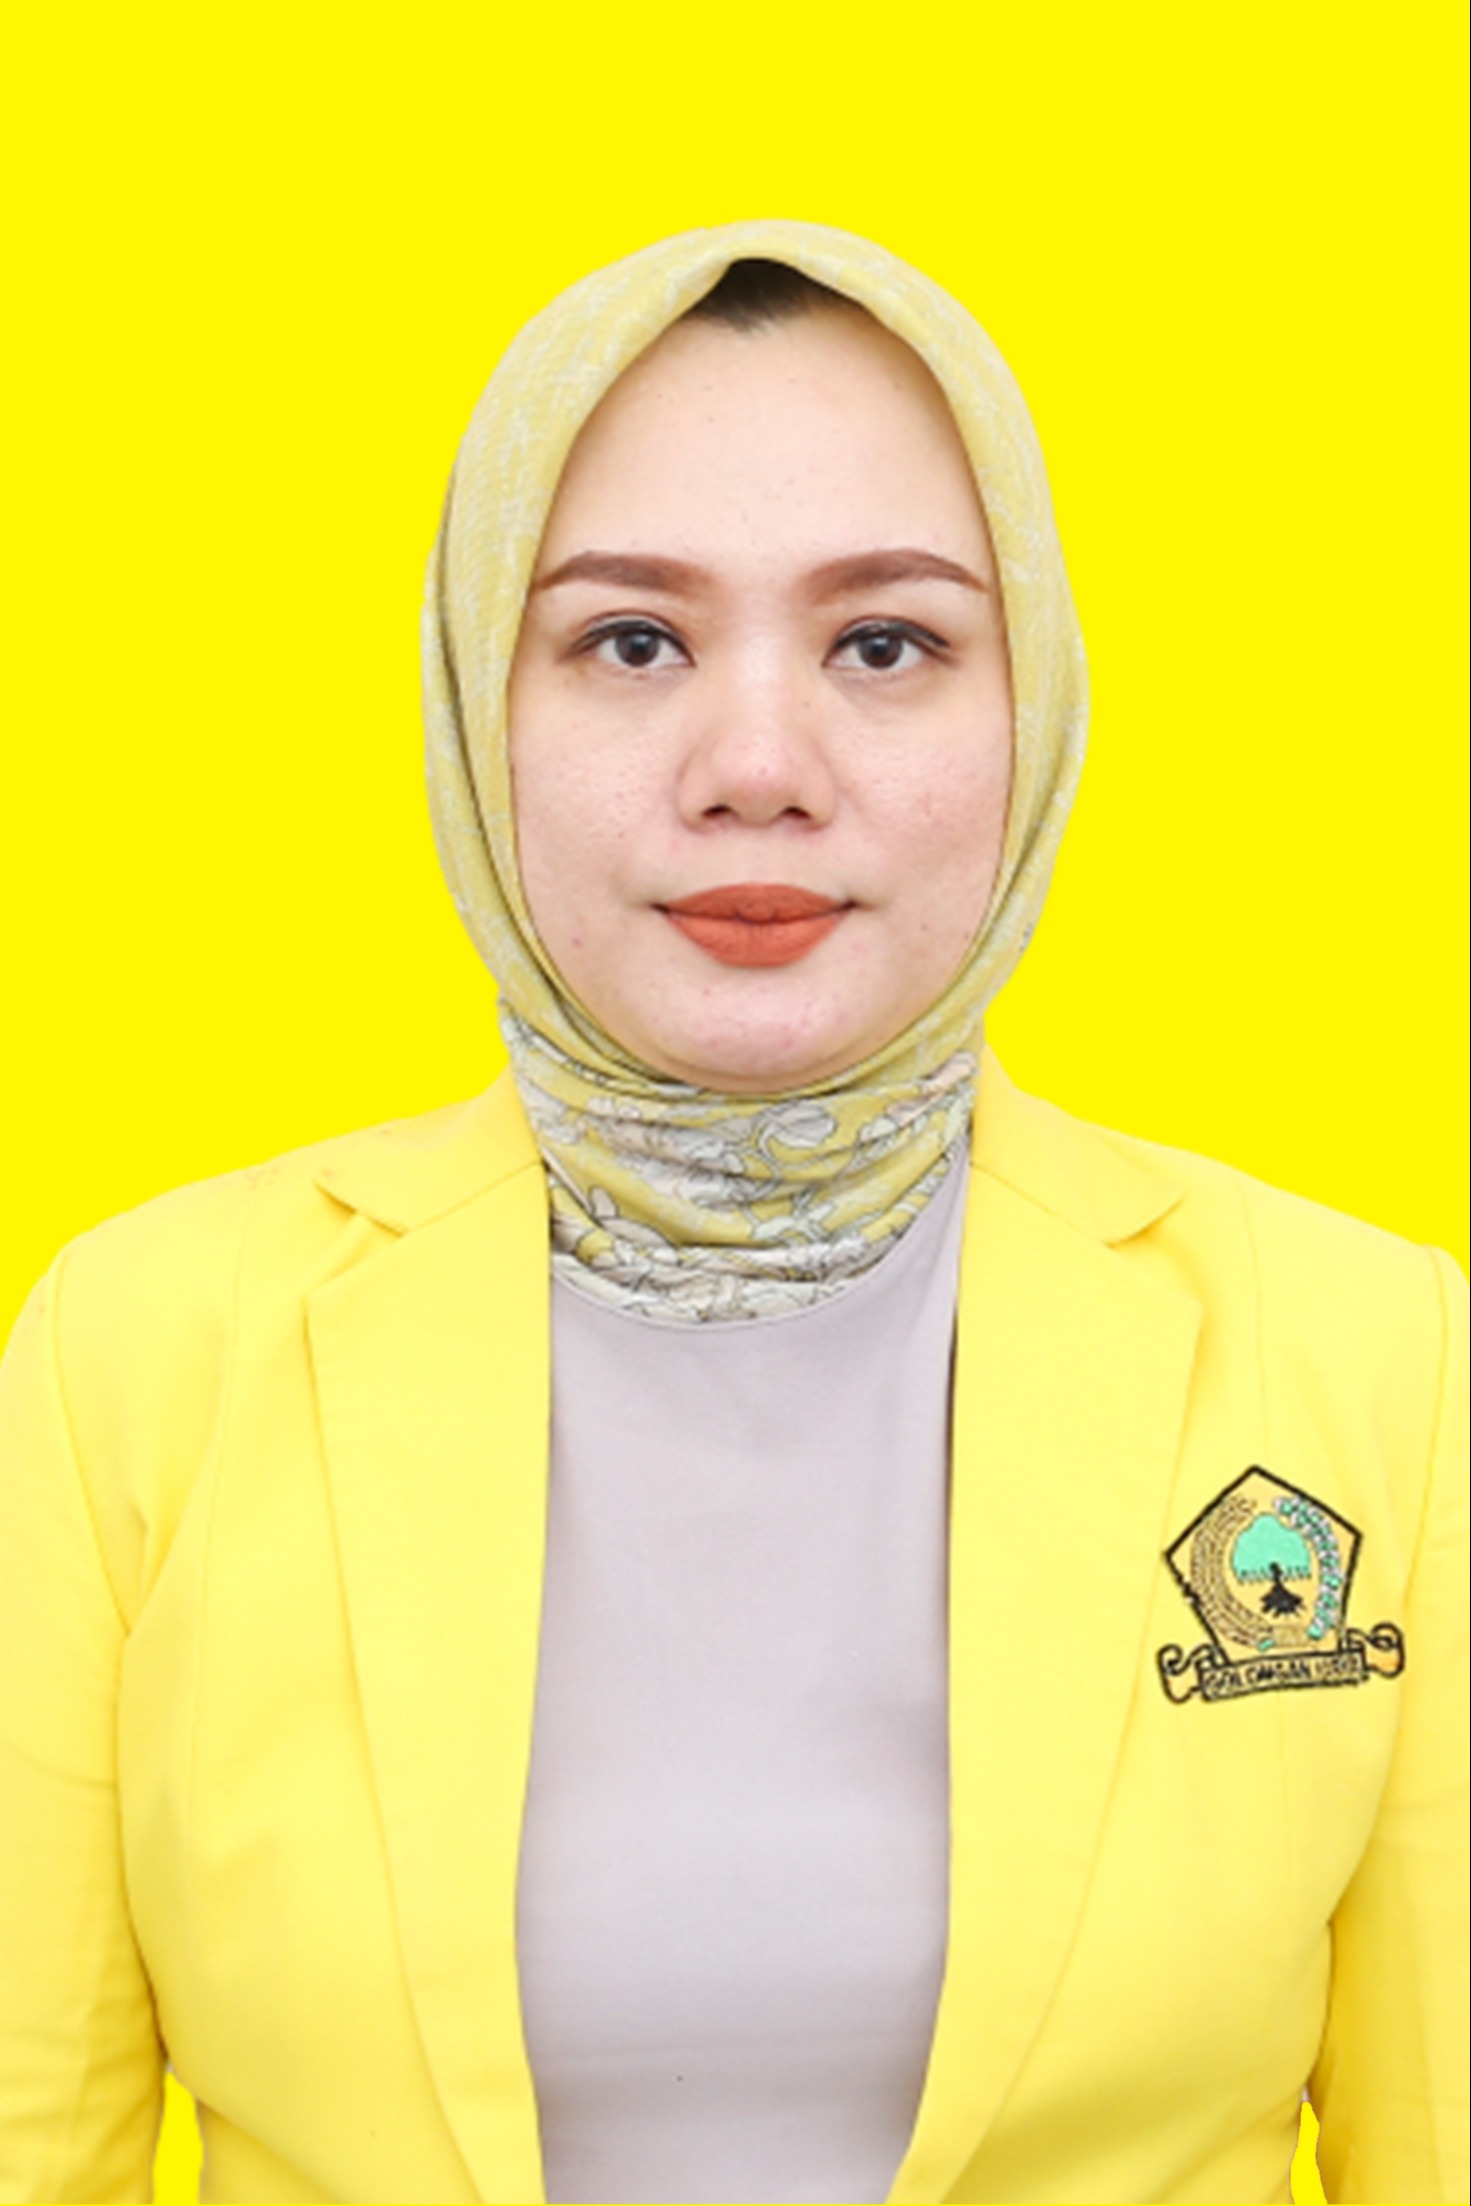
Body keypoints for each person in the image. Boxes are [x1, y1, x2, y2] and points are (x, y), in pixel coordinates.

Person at [0, 221, 1464, 2206]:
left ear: (1033, 702)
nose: (757, 767)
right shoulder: (137, 1355)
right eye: (629, 640)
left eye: (886, 643)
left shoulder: (1373, 1359)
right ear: (476, 704)